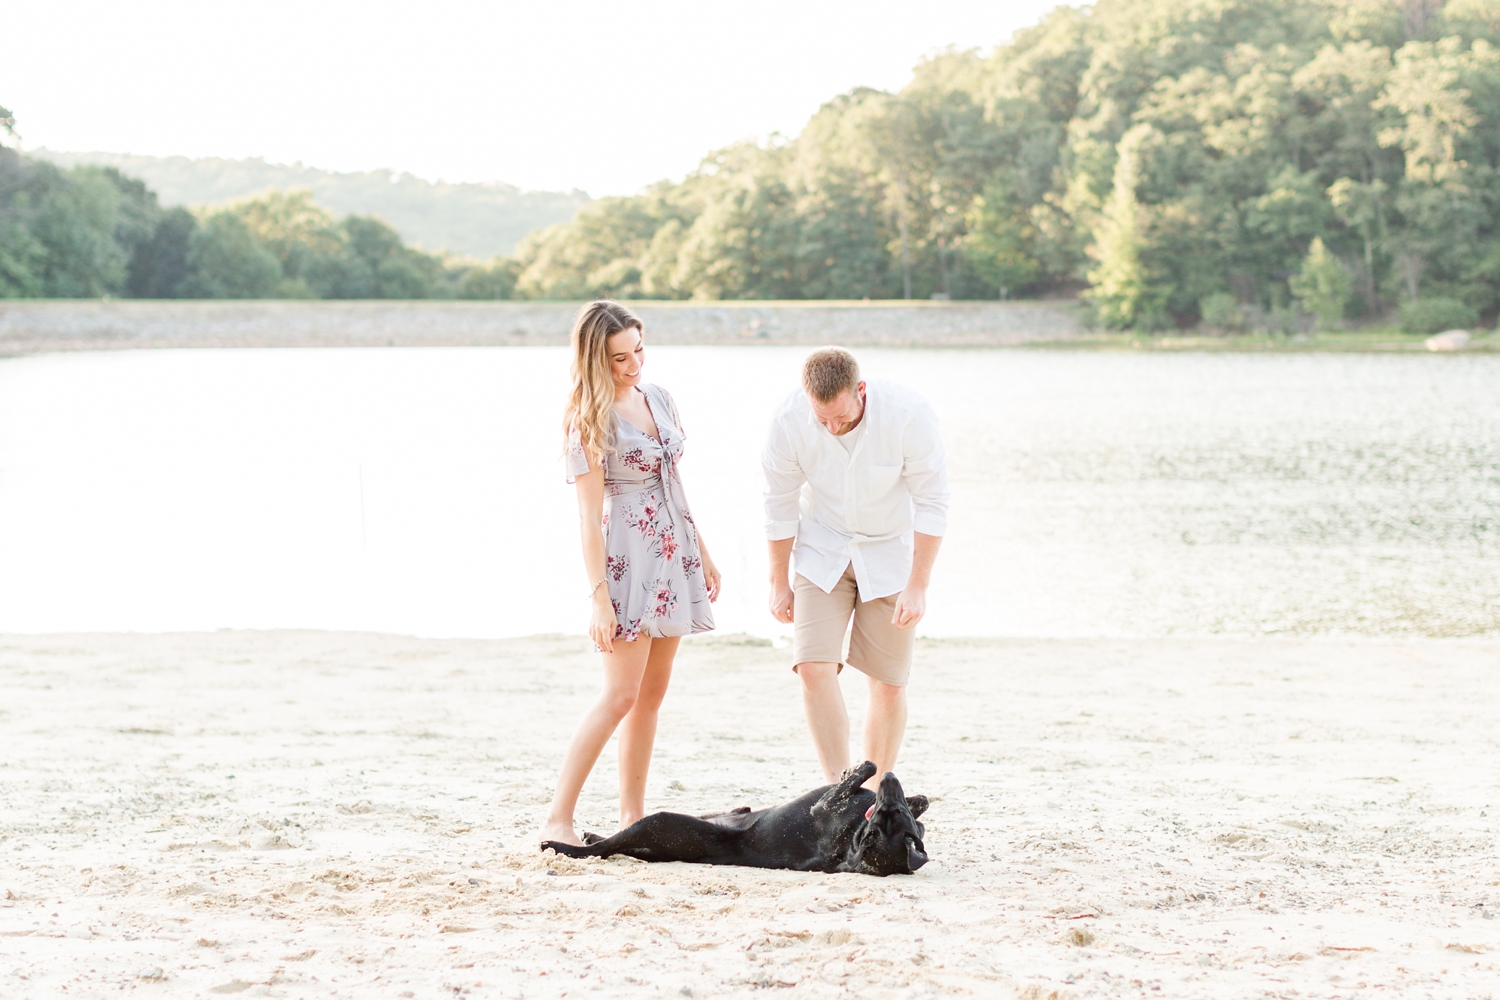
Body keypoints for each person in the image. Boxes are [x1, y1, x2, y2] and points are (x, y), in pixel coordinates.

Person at [541, 300, 721, 847]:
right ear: (596, 358)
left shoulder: (659, 397)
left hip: (675, 552)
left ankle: (632, 818)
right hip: (627, 557)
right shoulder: (588, 418)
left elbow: (675, 482)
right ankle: (557, 818)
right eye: (620, 357)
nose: (633, 364)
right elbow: (588, 519)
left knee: (651, 696)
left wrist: (703, 553)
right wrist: (599, 597)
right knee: (619, 695)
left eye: (639, 349)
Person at [762, 347, 948, 787]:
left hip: (889, 553)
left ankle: (874, 791)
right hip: (821, 549)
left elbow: (932, 504)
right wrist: (778, 581)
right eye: (821, 418)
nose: (831, 427)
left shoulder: (908, 415)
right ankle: (838, 789)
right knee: (811, 666)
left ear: (860, 391)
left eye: (841, 418)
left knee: (887, 682)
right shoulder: (788, 420)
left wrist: (918, 585)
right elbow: (778, 504)